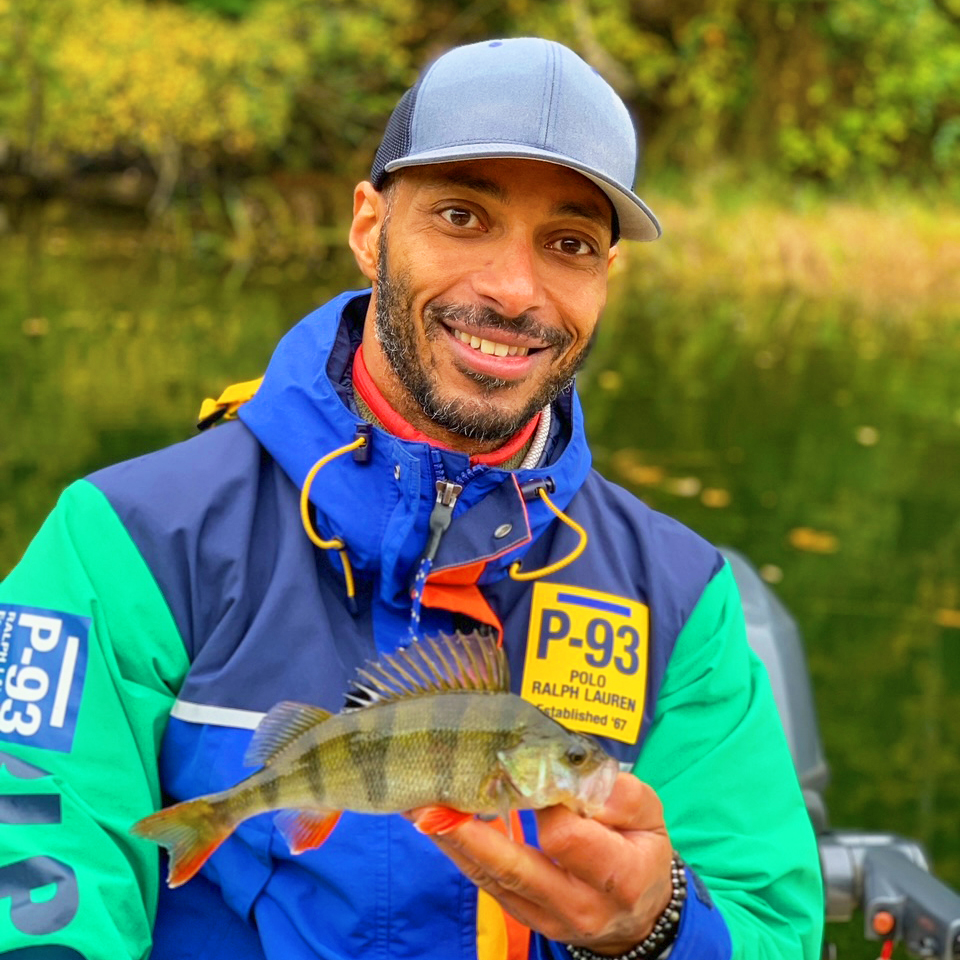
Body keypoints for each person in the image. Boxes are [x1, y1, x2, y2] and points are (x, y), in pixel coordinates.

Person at [0, 37, 823, 960]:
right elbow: (30, 885)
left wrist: (657, 929)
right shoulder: (126, 544)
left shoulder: (681, 599)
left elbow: (772, 927)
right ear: (369, 229)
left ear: (605, 278)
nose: (514, 290)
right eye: (462, 216)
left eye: (569, 244)